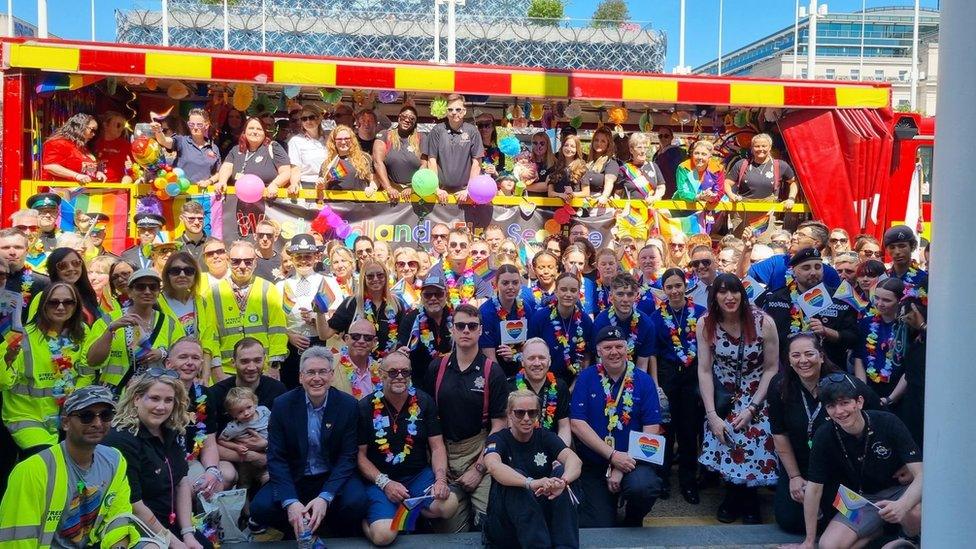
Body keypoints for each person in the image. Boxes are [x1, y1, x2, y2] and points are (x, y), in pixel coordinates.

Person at [791, 375, 922, 549]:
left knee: (914, 512)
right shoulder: (824, 435)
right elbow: (814, 489)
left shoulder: (887, 421)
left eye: (844, 403)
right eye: (831, 406)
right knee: (828, 545)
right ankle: (878, 533)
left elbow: (922, 474)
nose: (839, 411)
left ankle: (908, 538)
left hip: (899, 491)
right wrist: (808, 541)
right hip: (861, 497)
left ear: (859, 402)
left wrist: (902, 505)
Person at [767, 333, 880, 535]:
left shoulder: (844, 383)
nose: (803, 361)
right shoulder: (778, 386)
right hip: (800, 466)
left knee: (849, 518)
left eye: (809, 354)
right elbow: (779, 433)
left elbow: (880, 417)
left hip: (837, 468)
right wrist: (794, 476)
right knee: (790, 521)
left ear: (821, 356)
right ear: (789, 360)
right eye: (796, 355)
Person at [250, 346, 367, 539]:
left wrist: (325, 496)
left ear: (331, 376)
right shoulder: (282, 405)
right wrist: (290, 501)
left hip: (331, 475)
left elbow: (348, 457)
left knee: (357, 502)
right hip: (297, 476)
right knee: (260, 508)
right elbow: (276, 457)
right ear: (300, 377)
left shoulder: (347, 405)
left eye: (322, 372)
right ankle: (295, 527)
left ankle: (330, 528)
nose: (317, 378)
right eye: (310, 372)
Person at [0, 385, 138, 548]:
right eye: (86, 416)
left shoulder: (114, 460)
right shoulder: (32, 470)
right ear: (65, 422)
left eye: (105, 415)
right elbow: (17, 540)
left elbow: (119, 516)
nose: (97, 423)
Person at [697, 273, 780, 524]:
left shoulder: (763, 322)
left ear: (743, 295)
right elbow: (704, 370)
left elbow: (771, 368)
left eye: (734, 291)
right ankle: (733, 495)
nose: (729, 297)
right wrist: (711, 414)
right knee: (726, 427)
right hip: (724, 392)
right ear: (714, 297)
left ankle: (749, 497)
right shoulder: (705, 323)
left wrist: (753, 407)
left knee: (755, 429)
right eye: (722, 292)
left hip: (758, 391)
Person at [421, 303, 508, 533]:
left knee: (491, 522)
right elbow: (428, 418)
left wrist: (479, 468)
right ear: (453, 329)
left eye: (472, 326)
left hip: (480, 450)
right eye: (460, 326)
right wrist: (440, 464)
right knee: (448, 530)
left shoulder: (493, 371)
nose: (466, 330)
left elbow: (499, 425)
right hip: (444, 451)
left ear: (480, 330)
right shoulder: (436, 367)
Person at [357, 351, 459, 545]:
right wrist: (385, 483)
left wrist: (440, 480)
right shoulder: (365, 407)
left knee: (449, 505)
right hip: (380, 481)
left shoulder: (424, 401)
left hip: (418, 477)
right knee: (384, 536)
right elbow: (360, 456)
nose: (400, 377)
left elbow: (437, 447)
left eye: (405, 372)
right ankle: (366, 520)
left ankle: (404, 512)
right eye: (393, 372)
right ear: (381, 374)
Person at [570, 325, 664, 527]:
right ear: (598, 351)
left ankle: (633, 517)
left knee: (644, 487)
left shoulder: (644, 380)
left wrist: (622, 465)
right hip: (595, 463)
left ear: (627, 348)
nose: (614, 352)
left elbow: (652, 427)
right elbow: (577, 424)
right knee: (598, 526)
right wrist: (612, 456)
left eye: (619, 346)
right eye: (608, 347)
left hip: (634, 462)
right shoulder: (586, 378)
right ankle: (608, 506)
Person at [0, 282, 92, 455]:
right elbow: (3, 382)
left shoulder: (82, 332)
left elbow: (87, 373)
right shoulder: (20, 335)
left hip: (69, 417)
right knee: (47, 461)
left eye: (68, 302)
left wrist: (74, 397)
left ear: (76, 305)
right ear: (43, 306)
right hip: (27, 418)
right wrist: (9, 358)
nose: (60, 307)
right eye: (53, 302)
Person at [483, 389, 582, 548]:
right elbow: (494, 466)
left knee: (563, 473)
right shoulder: (498, 439)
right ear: (509, 414)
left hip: (540, 518)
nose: (527, 418)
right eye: (520, 413)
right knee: (516, 479)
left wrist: (563, 482)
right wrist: (529, 483)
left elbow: (574, 460)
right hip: (506, 524)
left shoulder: (544, 436)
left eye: (532, 413)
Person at [649, 268, 707, 504]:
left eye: (678, 285)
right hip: (667, 375)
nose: (674, 291)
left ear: (686, 286)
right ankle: (662, 478)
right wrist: (655, 385)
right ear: (664, 290)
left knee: (688, 430)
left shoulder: (701, 313)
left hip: (692, 376)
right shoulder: (655, 317)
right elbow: (652, 354)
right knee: (665, 429)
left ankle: (688, 481)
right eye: (669, 287)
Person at [756, 247, 858, 369]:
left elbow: (854, 338)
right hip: (788, 372)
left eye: (818, 267)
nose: (813, 272)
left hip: (831, 373)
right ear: (793, 271)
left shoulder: (840, 298)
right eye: (806, 268)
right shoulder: (776, 299)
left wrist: (827, 332)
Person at [86, 268, 185, 389]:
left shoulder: (170, 322)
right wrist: (110, 330)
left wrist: (162, 353)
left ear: (158, 292)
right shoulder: (108, 320)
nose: (147, 291)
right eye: (140, 287)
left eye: (153, 287)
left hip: (155, 396)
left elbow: (184, 356)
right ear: (130, 292)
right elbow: (92, 361)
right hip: (117, 395)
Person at [206, 240, 288, 379]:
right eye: (236, 261)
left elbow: (278, 332)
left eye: (248, 261)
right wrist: (217, 370)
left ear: (255, 262)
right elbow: (210, 336)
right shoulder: (212, 293)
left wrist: (274, 367)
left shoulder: (269, 290)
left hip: (263, 370)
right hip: (227, 372)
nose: (242, 266)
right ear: (228, 260)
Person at [164, 337, 230, 494]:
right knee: (201, 485)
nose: (189, 362)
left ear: (201, 364)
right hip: (164, 461)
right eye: (183, 357)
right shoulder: (158, 392)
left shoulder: (205, 395)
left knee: (223, 476)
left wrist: (212, 470)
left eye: (195, 358)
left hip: (191, 459)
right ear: (168, 363)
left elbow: (209, 443)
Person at [853, 277, 927, 406]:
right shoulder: (866, 323)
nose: (879, 303)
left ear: (899, 301)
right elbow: (859, 357)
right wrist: (863, 390)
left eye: (886, 300)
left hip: (901, 394)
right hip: (870, 390)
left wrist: (891, 398)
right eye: (877, 298)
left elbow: (910, 369)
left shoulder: (907, 328)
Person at [323, 260, 407, 359]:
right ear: (364, 279)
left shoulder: (396, 304)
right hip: (356, 367)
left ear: (386, 276)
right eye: (370, 276)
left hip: (386, 367)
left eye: (380, 275)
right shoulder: (351, 303)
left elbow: (402, 338)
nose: (375, 279)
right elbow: (325, 334)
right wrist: (319, 312)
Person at [276, 234, 329, 389]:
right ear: (292, 258)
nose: (303, 261)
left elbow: (337, 318)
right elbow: (274, 321)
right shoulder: (281, 286)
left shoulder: (327, 282)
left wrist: (316, 318)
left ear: (315, 257)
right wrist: (288, 335)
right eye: (299, 257)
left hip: (320, 344)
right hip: (291, 349)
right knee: (291, 389)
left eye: (308, 256)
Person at [528, 272, 594, 383]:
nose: (568, 294)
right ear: (556, 292)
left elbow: (586, 355)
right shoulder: (540, 318)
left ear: (579, 294)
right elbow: (530, 351)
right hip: (544, 380)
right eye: (563, 289)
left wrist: (578, 382)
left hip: (574, 381)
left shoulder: (585, 321)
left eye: (573, 290)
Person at [724, 133, 798, 230]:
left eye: (764, 146)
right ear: (752, 148)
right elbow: (727, 183)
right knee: (741, 244)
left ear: (770, 147)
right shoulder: (742, 164)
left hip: (768, 213)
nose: (760, 149)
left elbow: (793, 182)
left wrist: (791, 198)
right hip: (743, 213)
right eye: (757, 146)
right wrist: (731, 195)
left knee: (765, 244)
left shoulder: (780, 165)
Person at [158, 252, 218, 371]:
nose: (182, 275)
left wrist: (205, 376)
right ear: (167, 275)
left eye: (189, 271)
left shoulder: (203, 302)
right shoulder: (156, 303)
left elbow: (208, 343)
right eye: (175, 271)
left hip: (197, 372)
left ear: (195, 276)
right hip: (167, 374)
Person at [509, 338, 572, 445]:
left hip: (553, 448)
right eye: (531, 358)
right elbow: (509, 427)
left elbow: (564, 426)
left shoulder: (560, 386)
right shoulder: (510, 387)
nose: (537, 363)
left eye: (542, 358)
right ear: (523, 362)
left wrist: (561, 454)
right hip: (519, 448)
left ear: (549, 361)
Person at [423, 94, 485, 202]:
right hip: (441, 193)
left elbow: (477, 162)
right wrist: (436, 189)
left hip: (464, 194)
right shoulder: (437, 130)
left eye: (458, 109)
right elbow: (431, 160)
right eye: (450, 109)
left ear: (464, 111)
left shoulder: (472, 131)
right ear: (446, 112)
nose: (454, 112)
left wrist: (469, 190)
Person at [748, 220, 842, 292]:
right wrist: (748, 248)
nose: (794, 237)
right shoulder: (777, 261)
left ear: (816, 243)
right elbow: (744, 276)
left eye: (801, 235)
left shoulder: (830, 273)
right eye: (795, 233)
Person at [479, 264, 537, 377]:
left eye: (515, 283)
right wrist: (503, 382)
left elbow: (530, 345)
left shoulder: (525, 308)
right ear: (496, 285)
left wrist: (515, 355)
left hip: (522, 368)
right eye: (505, 283)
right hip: (494, 371)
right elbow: (489, 356)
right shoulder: (486, 312)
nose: (511, 287)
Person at [214, 115, 291, 199]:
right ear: (244, 131)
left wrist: (275, 184)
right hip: (238, 202)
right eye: (251, 128)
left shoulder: (274, 147)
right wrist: (222, 181)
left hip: (267, 202)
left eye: (259, 129)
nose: (254, 132)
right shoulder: (236, 149)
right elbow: (227, 166)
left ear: (264, 132)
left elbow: (286, 172)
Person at [397, 274, 454, 384]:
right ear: (421, 297)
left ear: (446, 295)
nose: (433, 298)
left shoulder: (456, 317)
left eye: (438, 294)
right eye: (428, 295)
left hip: (451, 380)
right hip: (421, 382)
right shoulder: (411, 319)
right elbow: (402, 351)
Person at [592, 273, 655, 371]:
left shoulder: (646, 324)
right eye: (620, 294)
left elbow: (642, 365)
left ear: (637, 296)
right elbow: (599, 360)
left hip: (634, 373)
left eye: (630, 294)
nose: (625, 299)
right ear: (611, 296)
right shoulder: (600, 322)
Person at [151, 108, 222, 187]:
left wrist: (209, 182)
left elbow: (218, 173)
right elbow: (164, 141)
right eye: (191, 124)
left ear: (206, 126)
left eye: (199, 125)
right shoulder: (182, 141)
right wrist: (158, 131)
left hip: (204, 194)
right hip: (182, 194)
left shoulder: (213, 148)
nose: (195, 127)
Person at [217, 386, 271, 489]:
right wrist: (236, 447)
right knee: (244, 486)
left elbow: (275, 425)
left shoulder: (264, 411)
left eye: (249, 407)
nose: (246, 413)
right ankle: (244, 502)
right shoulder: (234, 427)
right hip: (247, 463)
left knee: (268, 479)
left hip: (268, 453)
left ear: (255, 402)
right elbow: (221, 440)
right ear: (232, 414)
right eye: (240, 412)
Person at [424, 228, 493, 307]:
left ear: (470, 247)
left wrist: (476, 304)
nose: (458, 248)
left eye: (463, 245)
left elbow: (485, 305)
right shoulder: (436, 271)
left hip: (473, 317)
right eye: (453, 245)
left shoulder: (481, 271)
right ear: (446, 247)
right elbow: (432, 305)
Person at [35, 247, 102, 325]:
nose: (71, 268)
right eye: (62, 265)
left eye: (76, 263)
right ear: (53, 270)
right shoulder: (45, 296)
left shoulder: (87, 294)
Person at [373, 105, 424, 202]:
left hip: (415, 192)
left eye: (412, 118)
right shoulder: (385, 135)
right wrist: (388, 188)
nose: (407, 120)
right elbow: (377, 162)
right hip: (390, 191)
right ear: (399, 117)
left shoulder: (421, 137)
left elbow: (424, 164)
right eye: (404, 116)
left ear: (415, 122)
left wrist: (414, 188)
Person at [41, 113, 106, 183]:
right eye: (92, 130)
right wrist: (76, 176)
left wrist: (98, 172)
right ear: (80, 127)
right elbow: (50, 166)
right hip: (60, 190)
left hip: (83, 190)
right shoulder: (58, 143)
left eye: (95, 131)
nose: (93, 134)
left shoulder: (82, 146)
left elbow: (83, 167)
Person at [319, 124, 377, 193]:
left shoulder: (364, 158)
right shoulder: (328, 163)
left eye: (346, 138)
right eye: (339, 139)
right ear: (334, 142)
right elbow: (323, 187)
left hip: (361, 202)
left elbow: (374, 179)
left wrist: (372, 187)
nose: (343, 142)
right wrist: (320, 185)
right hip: (335, 203)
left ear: (352, 140)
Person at [287, 104, 328, 192]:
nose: (308, 121)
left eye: (311, 117)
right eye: (304, 119)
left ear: (319, 119)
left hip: (329, 184)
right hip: (307, 185)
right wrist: (294, 184)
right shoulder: (296, 141)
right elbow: (295, 167)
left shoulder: (329, 139)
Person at [883, 225, 928, 305]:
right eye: (892, 247)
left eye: (902, 246)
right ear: (887, 250)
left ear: (912, 246)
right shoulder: (883, 278)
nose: (897, 252)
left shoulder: (924, 278)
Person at [618, 132, 666, 204]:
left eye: (645, 147)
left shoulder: (653, 166)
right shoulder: (624, 169)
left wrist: (655, 197)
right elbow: (618, 193)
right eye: (639, 147)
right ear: (631, 150)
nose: (643, 151)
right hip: (631, 212)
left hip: (651, 211)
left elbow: (661, 187)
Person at [673, 139, 723, 204]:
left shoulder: (718, 168)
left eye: (704, 154)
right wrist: (699, 197)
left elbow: (720, 191)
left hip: (709, 207)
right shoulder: (683, 167)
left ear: (710, 157)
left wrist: (712, 197)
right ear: (692, 154)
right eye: (696, 153)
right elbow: (682, 192)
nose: (700, 157)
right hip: (684, 209)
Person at [547, 134, 590, 203]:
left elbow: (586, 192)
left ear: (577, 149)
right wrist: (561, 195)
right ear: (562, 147)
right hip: (557, 209)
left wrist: (572, 194)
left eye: (572, 146)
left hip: (577, 210)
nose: (568, 148)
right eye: (566, 145)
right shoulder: (555, 167)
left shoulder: (582, 168)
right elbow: (550, 193)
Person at [92, 111, 132, 183]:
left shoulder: (126, 145)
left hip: (118, 189)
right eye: (118, 125)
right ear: (106, 125)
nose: (121, 129)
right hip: (95, 186)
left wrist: (131, 167)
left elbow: (134, 169)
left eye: (123, 126)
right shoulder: (93, 143)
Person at [585, 126, 620, 206]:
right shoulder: (587, 163)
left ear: (608, 145)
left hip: (600, 206)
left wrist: (605, 196)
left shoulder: (611, 163)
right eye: (596, 140)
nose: (598, 143)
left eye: (603, 141)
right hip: (584, 205)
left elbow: (609, 182)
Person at [654, 127, 688, 198]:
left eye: (666, 136)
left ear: (671, 137)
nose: (663, 138)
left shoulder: (677, 152)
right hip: (658, 188)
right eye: (660, 136)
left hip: (671, 187)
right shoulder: (656, 155)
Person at [525, 132, 556, 196]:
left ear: (547, 145)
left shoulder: (554, 163)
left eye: (542, 143)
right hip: (527, 201)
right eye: (535, 143)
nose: (538, 146)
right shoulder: (527, 161)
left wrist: (524, 187)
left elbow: (547, 186)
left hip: (545, 203)